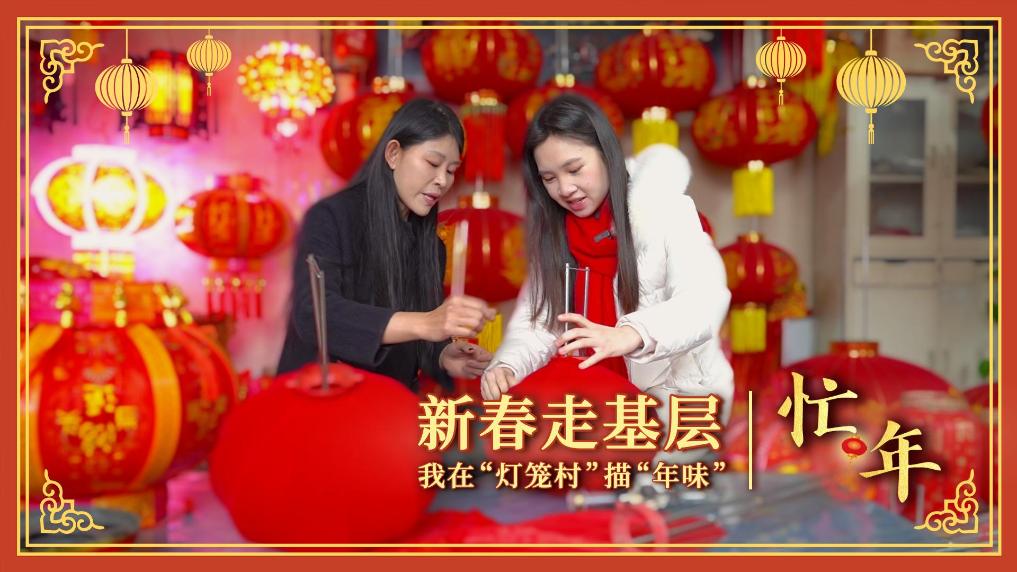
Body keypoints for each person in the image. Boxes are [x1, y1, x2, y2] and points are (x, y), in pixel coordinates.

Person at [481, 94, 734, 463]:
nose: (564, 188)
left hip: (672, 411)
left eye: (574, 169)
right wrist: (507, 366)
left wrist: (630, 335)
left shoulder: (666, 212)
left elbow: (703, 301)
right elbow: (537, 325)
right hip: (595, 415)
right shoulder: (556, 235)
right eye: (549, 178)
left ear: (605, 153)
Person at [277, 98, 496, 391]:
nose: (442, 180)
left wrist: (442, 355)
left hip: (390, 403)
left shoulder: (432, 246)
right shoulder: (330, 217)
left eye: (451, 170)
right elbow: (314, 313)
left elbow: (415, 340)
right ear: (393, 154)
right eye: (433, 163)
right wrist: (425, 323)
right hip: (321, 399)